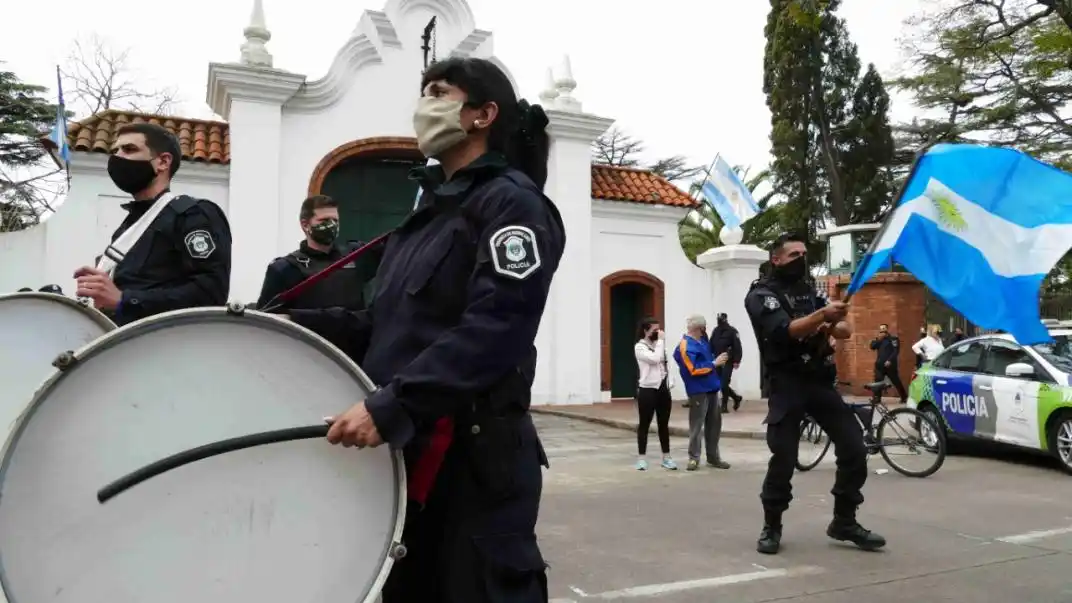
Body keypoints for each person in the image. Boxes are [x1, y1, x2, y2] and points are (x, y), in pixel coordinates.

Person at [285, 57, 564, 603]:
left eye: (439, 91)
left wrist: (394, 406)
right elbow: (381, 325)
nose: (424, 105)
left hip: (471, 461)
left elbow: (496, 327)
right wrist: (283, 325)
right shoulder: (427, 217)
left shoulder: (512, 203)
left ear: (484, 114)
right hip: (407, 458)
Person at [744, 233, 885, 555]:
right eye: (794, 255)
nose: (801, 259)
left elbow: (846, 331)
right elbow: (786, 330)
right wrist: (823, 318)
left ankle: (844, 521)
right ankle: (772, 525)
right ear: (776, 259)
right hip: (787, 384)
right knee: (785, 457)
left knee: (854, 448)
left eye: (804, 254)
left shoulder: (810, 293)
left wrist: (833, 321)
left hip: (820, 382)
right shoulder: (762, 295)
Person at [73, 123, 231, 326]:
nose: (118, 157)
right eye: (116, 150)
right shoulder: (127, 229)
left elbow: (210, 293)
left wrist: (124, 299)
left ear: (163, 162)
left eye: (129, 149)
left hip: (166, 347)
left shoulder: (192, 214)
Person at [256, 195, 380, 311]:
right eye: (324, 220)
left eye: (335, 220)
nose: (332, 225)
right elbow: (267, 322)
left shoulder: (356, 255)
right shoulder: (284, 269)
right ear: (305, 225)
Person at [673, 314, 731, 472]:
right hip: (698, 390)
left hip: (711, 388)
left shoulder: (702, 342)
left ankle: (713, 457)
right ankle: (694, 458)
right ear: (700, 328)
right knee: (697, 426)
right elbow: (692, 368)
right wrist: (714, 363)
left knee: (714, 426)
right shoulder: (685, 345)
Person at [633, 317, 677, 471]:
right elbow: (654, 359)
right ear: (646, 331)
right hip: (647, 389)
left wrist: (669, 382)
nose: (658, 333)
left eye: (659, 330)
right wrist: (660, 341)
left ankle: (666, 457)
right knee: (644, 424)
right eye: (655, 330)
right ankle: (641, 458)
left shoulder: (660, 346)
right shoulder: (640, 347)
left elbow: (666, 363)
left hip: (662, 389)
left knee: (663, 424)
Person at [710, 312, 744, 413]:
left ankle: (724, 406)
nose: (719, 321)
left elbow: (737, 346)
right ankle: (736, 397)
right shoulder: (716, 331)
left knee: (724, 383)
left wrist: (737, 360)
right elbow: (711, 344)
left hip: (728, 361)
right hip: (717, 360)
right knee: (720, 384)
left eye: (721, 319)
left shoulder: (732, 331)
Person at [869, 323, 907, 403]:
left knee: (896, 381)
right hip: (880, 365)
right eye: (881, 328)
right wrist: (879, 339)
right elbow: (872, 347)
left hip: (890, 365)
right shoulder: (878, 340)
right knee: (878, 381)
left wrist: (889, 360)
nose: (882, 330)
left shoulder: (893, 339)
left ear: (887, 329)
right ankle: (877, 398)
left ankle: (904, 397)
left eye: (884, 328)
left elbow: (896, 351)